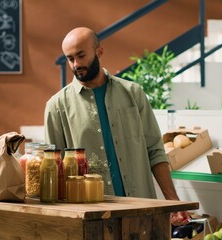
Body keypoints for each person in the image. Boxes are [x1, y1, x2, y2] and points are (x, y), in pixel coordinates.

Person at [44, 27, 189, 225]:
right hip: (92, 217)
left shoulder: (133, 93)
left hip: (141, 211)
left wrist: (173, 202)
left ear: (99, 52)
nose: (76, 64)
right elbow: (54, 169)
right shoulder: (57, 106)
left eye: (81, 55)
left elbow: (155, 151)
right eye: (70, 58)